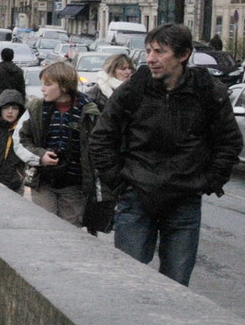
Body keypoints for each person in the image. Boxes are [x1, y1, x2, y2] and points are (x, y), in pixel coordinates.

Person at [89, 23, 242, 285]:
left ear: (183, 55)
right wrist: (120, 182)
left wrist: (208, 181)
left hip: (184, 198)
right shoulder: (133, 90)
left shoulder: (207, 92)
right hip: (136, 196)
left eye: (160, 52)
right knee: (130, 281)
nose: (150, 59)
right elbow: (101, 138)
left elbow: (228, 143)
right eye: (148, 51)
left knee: (177, 284)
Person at [17, 60, 100, 227]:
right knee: (46, 228)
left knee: (70, 232)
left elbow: (99, 148)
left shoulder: (89, 111)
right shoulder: (36, 108)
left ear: (63, 86)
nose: (42, 89)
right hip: (44, 182)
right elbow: (20, 140)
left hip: (75, 186)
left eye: (48, 84)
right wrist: (41, 156)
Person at [78, 52, 135, 234]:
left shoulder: (135, 94)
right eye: (122, 68)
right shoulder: (95, 94)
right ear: (112, 70)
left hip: (125, 156)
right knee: (98, 201)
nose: (127, 72)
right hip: (100, 157)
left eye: (129, 68)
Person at [0, 47, 26, 111]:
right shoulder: (19, 71)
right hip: (13, 100)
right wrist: (22, 101)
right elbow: (22, 88)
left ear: (2, 56)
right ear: (12, 56)